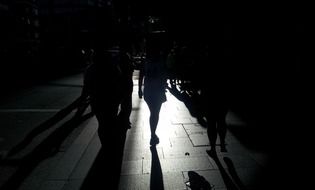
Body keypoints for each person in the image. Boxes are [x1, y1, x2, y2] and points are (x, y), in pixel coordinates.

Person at [138, 31, 168, 146]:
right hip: (157, 90)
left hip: (149, 90)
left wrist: (139, 89)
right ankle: (152, 134)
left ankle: (153, 134)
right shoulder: (160, 60)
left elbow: (141, 74)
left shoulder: (146, 60)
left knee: (153, 112)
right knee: (155, 113)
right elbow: (164, 74)